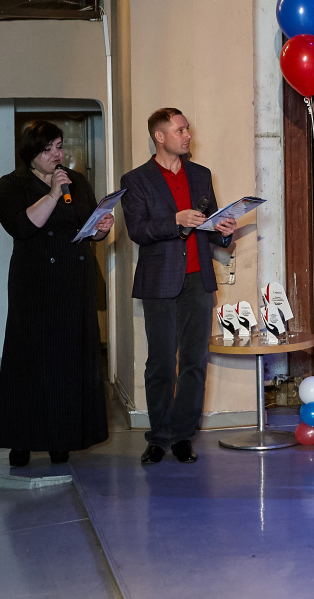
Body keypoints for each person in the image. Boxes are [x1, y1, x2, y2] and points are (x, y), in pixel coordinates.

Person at [120, 109, 236, 466]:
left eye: (187, 129)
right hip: (160, 282)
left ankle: (184, 436)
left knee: (194, 362)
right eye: (180, 129)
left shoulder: (201, 175)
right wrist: (175, 220)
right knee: (160, 362)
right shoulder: (136, 179)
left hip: (198, 280)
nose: (188, 135)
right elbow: (138, 231)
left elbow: (211, 226)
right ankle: (158, 438)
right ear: (160, 136)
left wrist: (224, 232)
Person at [0, 121, 111, 466]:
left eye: (59, 146)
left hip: (75, 280)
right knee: (31, 360)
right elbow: (22, 226)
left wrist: (101, 229)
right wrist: (53, 194)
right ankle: (22, 440)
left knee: (69, 360)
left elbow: (87, 226)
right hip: (36, 283)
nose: (57, 155)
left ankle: (63, 438)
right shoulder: (11, 184)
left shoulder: (77, 181)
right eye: (48, 149)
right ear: (31, 152)